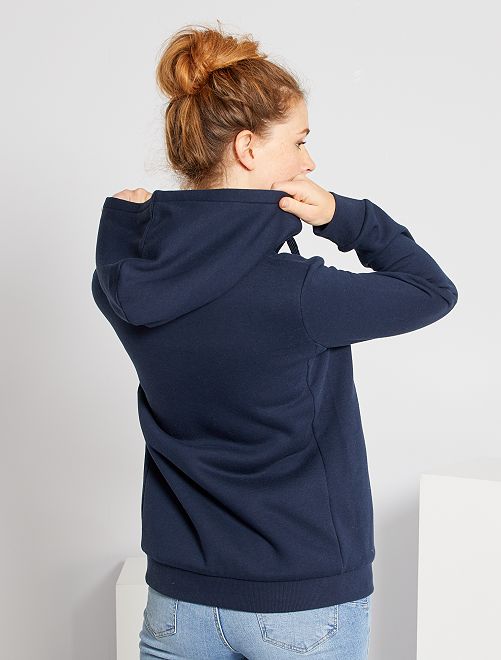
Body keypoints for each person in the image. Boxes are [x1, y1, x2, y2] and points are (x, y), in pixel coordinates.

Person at [91, 21, 458, 660]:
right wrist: (345, 216)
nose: (309, 162)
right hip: (301, 601)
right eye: (300, 140)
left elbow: (116, 269)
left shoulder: (128, 289)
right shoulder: (301, 292)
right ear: (247, 148)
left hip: (179, 602)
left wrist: (122, 222)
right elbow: (432, 291)